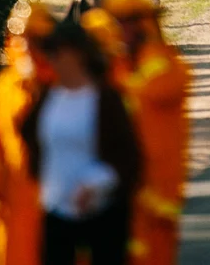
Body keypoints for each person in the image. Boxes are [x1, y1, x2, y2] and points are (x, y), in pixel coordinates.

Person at [20, 20, 140, 265]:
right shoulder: (47, 96)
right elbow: (29, 137)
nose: (50, 58)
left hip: (103, 211)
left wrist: (95, 182)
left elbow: (129, 156)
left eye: (56, 51)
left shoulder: (105, 98)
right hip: (56, 209)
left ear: (77, 53)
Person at [102, 0, 190, 265]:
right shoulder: (119, 66)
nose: (117, 29)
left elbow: (154, 91)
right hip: (122, 186)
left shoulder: (162, 64)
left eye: (124, 21)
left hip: (156, 191)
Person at [0, 3, 57, 265]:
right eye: (21, 38)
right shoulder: (3, 86)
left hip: (61, 198)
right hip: (16, 199)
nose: (27, 46)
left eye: (35, 39)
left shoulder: (66, 82)